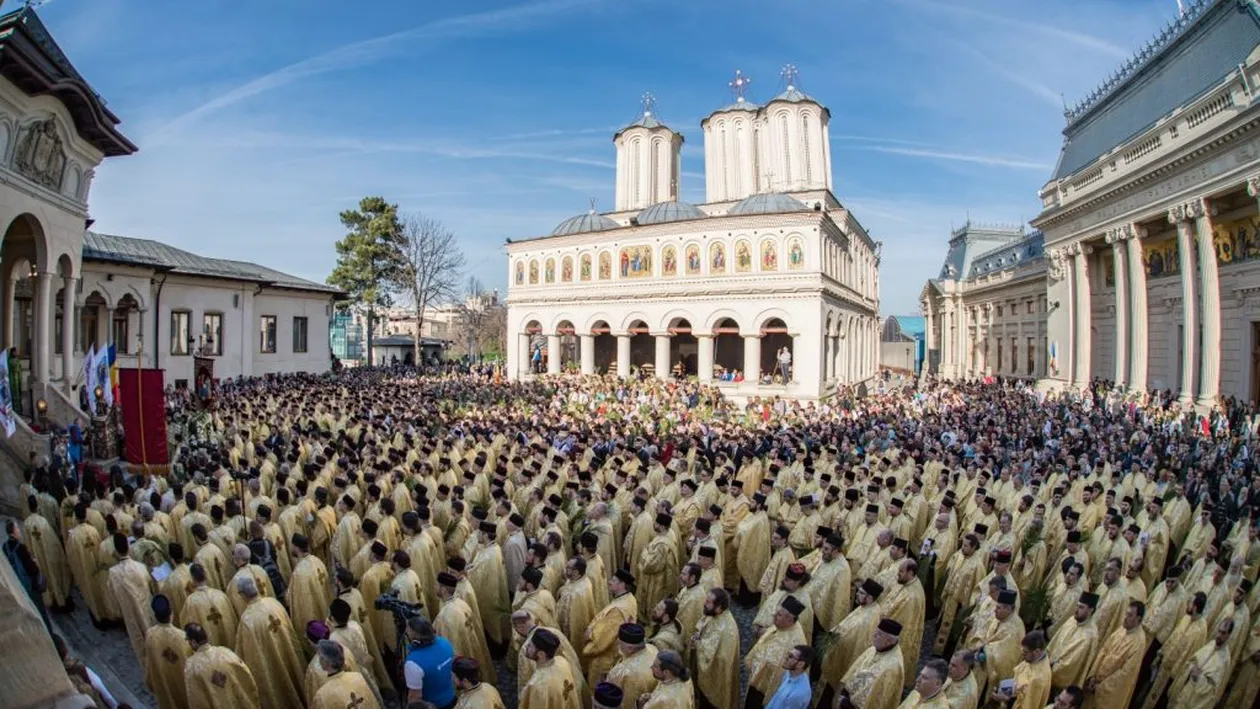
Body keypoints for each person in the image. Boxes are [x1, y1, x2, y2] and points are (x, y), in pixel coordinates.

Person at [183, 622, 260, 709]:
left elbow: (195, 699)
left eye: (188, 641)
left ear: (193, 642)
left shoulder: (191, 666)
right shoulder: (225, 652)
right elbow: (245, 675)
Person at [144, 595, 190, 709]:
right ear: (171, 615)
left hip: (164, 681)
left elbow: (150, 662)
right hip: (183, 682)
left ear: (155, 617)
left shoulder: (150, 635)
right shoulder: (183, 637)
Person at [311, 639, 381, 709]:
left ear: (326, 661)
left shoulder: (322, 695)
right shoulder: (358, 677)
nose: (319, 660)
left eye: (320, 657)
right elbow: (373, 704)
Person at [403, 616, 456, 709]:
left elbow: (415, 698)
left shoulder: (413, 663)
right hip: (451, 698)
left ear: (415, 640)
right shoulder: (445, 642)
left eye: (408, 633)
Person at [765, 644, 813, 709]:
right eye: (788, 654)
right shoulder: (789, 673)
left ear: (800, 664)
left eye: (790, 656)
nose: (786, 658)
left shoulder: (798, 693)